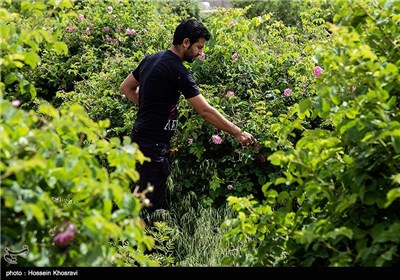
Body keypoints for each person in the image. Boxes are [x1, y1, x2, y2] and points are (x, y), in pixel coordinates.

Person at [120, 18, 257, 221]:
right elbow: (204, 111)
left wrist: (148, 107)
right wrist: (237, 132)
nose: (200, 52)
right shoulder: (177, 70)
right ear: (186, 42)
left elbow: (126, 87)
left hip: (139, 141)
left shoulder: (152, 58)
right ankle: (141, 250)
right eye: (198, 47)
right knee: (149, 209)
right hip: (152, 147)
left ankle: (130, 246)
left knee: (139, 201)